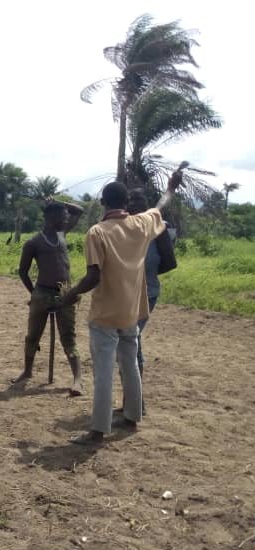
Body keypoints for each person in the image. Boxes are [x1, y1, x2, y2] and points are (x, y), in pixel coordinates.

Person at [62, 170, 182, 445]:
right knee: (130, 363)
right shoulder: (140, 225)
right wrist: (170, 187)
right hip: (132, 310)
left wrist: (70, 295)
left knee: (104, 370)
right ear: (126, 203)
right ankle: (132, 417)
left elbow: (93, 276)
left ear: (103, 202)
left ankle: (98, 430)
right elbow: (159, 208)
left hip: (105, 313)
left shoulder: (97, 232)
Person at [12, 200, 85, 395]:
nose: (67, 219)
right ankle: (27, 371)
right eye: (63, 217)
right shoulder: (33, 243)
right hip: (42, 293)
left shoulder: (62, 235)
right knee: (33, 335)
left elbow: (80, 210)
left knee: (68, 337)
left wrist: (59, 202)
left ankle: (77, 379)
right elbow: (23, 272)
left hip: (65, 294)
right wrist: (34, 293)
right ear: (52, 219)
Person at [119, 190, 178, 414]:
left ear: (146, 206)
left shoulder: (158, 229)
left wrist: (146, 274)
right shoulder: (121, 227)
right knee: (128, 343)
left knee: (131, 343)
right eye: (130, 201)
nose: (134, 205)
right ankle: (132, 402)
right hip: (124, 294)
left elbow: (170, 262)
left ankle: (135, 404)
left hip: (147, 293)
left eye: (139, 202)